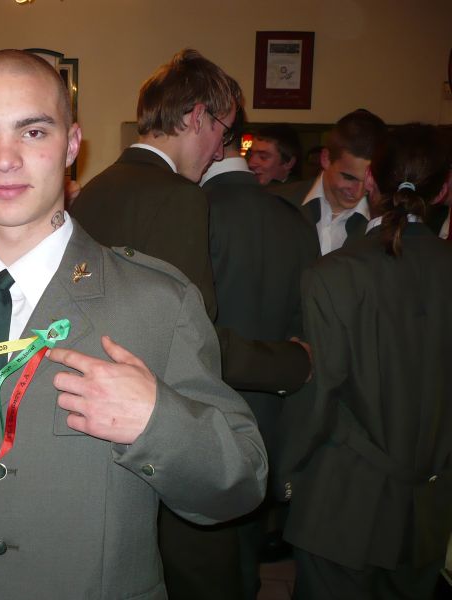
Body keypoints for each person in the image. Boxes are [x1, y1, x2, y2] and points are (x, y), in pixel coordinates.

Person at [0, 49, 267, 599]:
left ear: (72, 145)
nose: (4, 159)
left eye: (32, 132)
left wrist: (156, 423)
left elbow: (240, 486)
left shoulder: (159, 302)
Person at [72, 50, 311, 398]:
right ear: (199, 117)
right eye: (223, 133)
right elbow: (192, 339)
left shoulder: (94, 189)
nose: (219, 153)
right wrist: (293, 363)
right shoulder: (180, 197)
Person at [278, 124, 452, 599]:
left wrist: (282, 476)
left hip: (343, 505)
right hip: (428, 508)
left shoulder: (332, 274)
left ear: (370, 180)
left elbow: (318, 399)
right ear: (443, 189)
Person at [191, 108, 319, 600]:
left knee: (202, 565)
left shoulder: (195, 210)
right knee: (245, 556)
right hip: (274, 412)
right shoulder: (294, 218)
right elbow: (305, 325)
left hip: (206, 411)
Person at [278, 109, 387, 255]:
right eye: (349, 178)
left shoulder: (386, 223)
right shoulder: (278, 201)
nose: (359, 192)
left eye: (369, 182)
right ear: (326, 159)